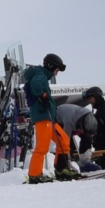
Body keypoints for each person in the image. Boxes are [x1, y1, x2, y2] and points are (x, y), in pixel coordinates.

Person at [24, 53, 76, 182]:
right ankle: (35, 175)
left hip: (49, 117)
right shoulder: (40, 75)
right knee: (42, 146)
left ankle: (61, 169)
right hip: (43, 116)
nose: (56, 74)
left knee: (63, 140)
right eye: (56, 70)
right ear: (51, 66)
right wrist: (42, 95)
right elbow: (35, 84)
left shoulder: (42, 75)